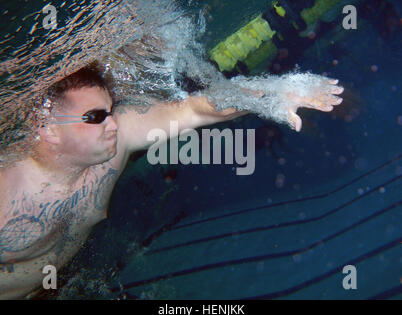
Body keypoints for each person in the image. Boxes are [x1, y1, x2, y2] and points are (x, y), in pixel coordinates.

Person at [0, 63, 343, 299]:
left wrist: (273, 93)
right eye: (95, 117)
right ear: (46, 128)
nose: (114, 124)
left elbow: (194, 109)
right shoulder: (7, 187)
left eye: (112, 110)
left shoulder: (114, 142)